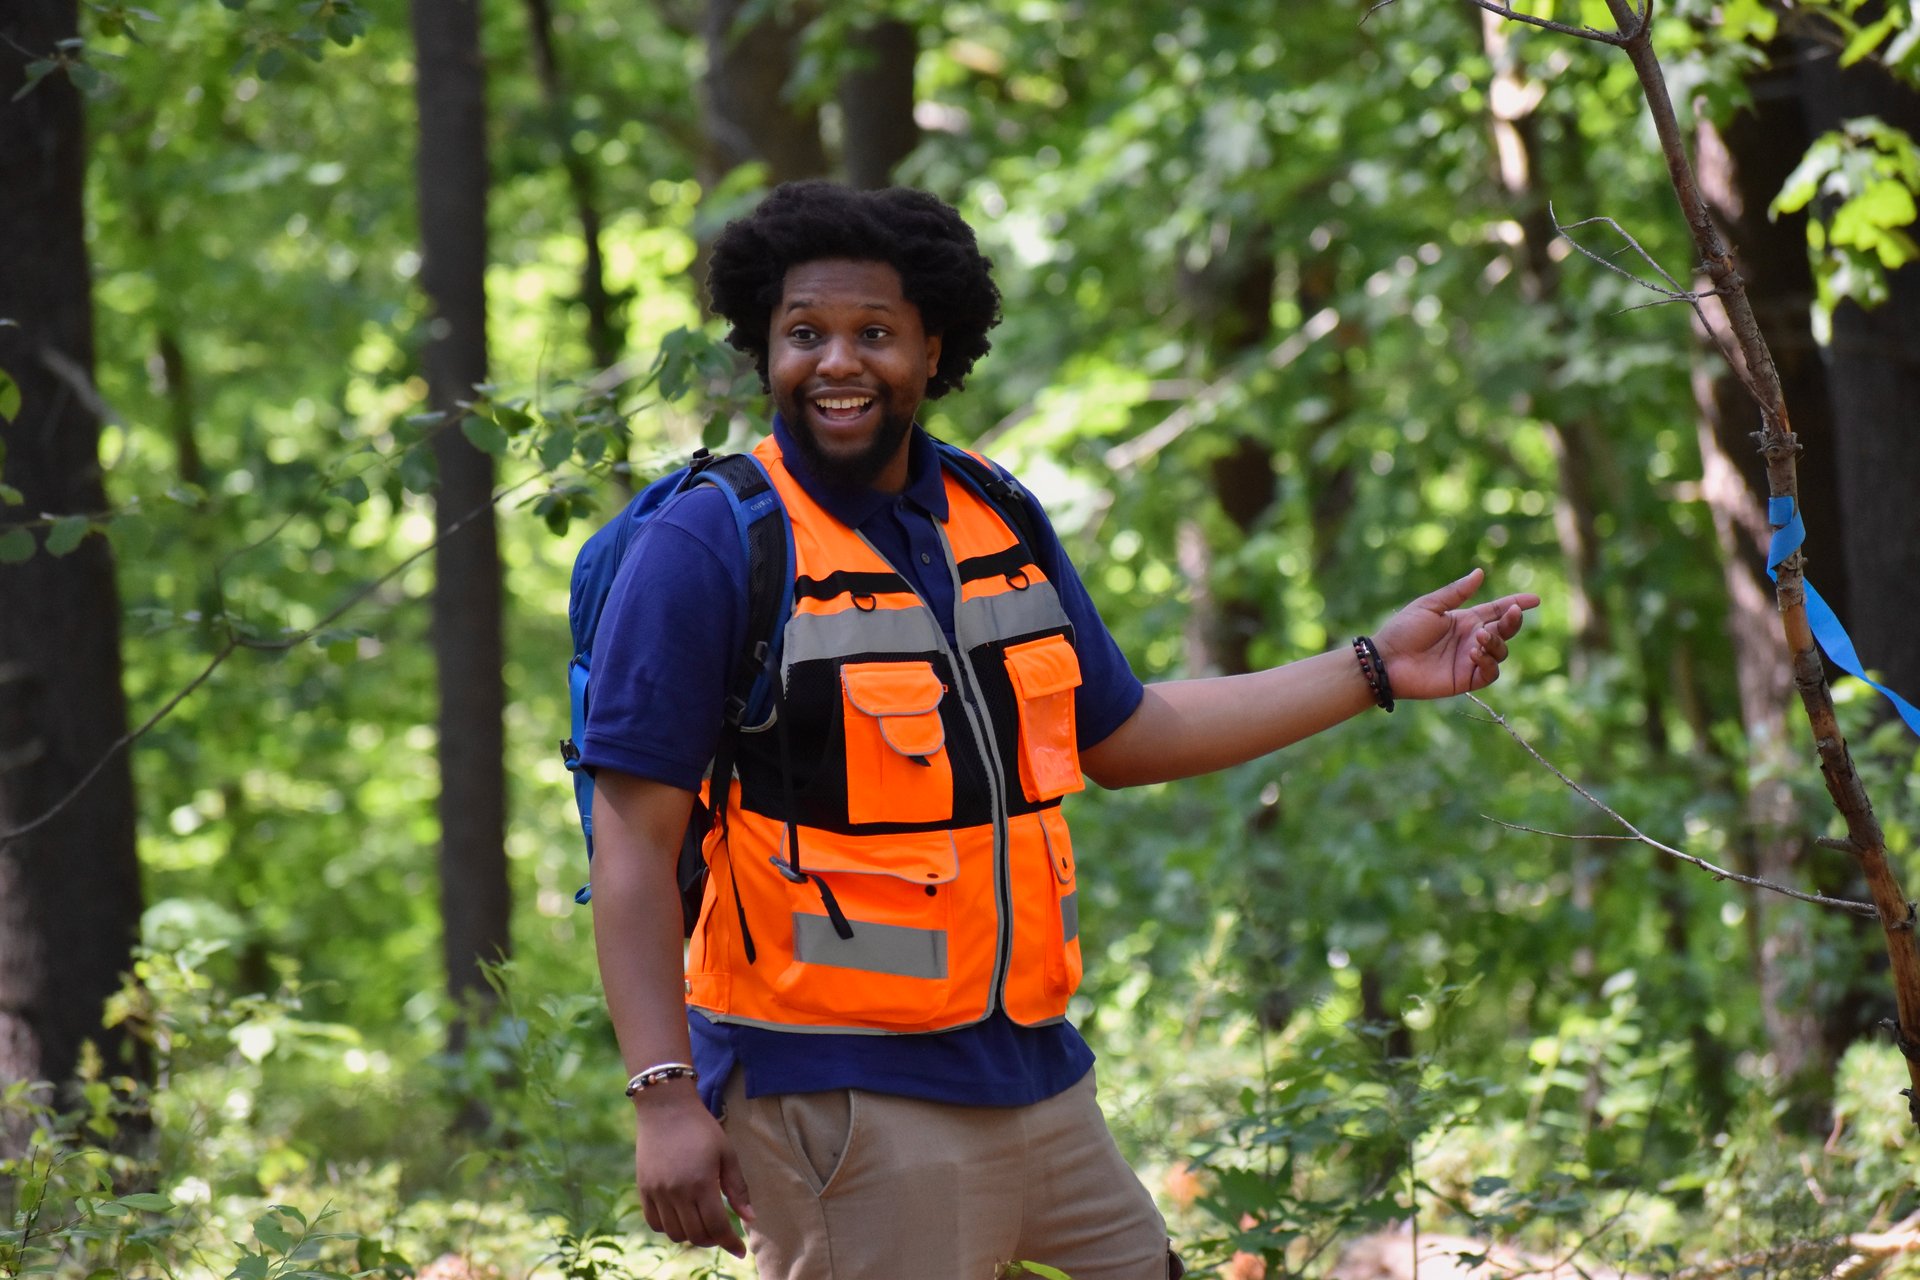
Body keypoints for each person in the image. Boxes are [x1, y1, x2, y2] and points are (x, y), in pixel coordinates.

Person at [579, 181, 1540, 1280]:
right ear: (765, 350)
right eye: (805, 334)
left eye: (874, 334)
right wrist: (662, 1092)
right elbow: (633, 845)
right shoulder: (710, 544)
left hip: (1037, 1074)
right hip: (838, 1092)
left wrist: (1370, 666)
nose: (837, 362)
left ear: (933, 350)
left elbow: (1126, 731)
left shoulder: (996, 510)